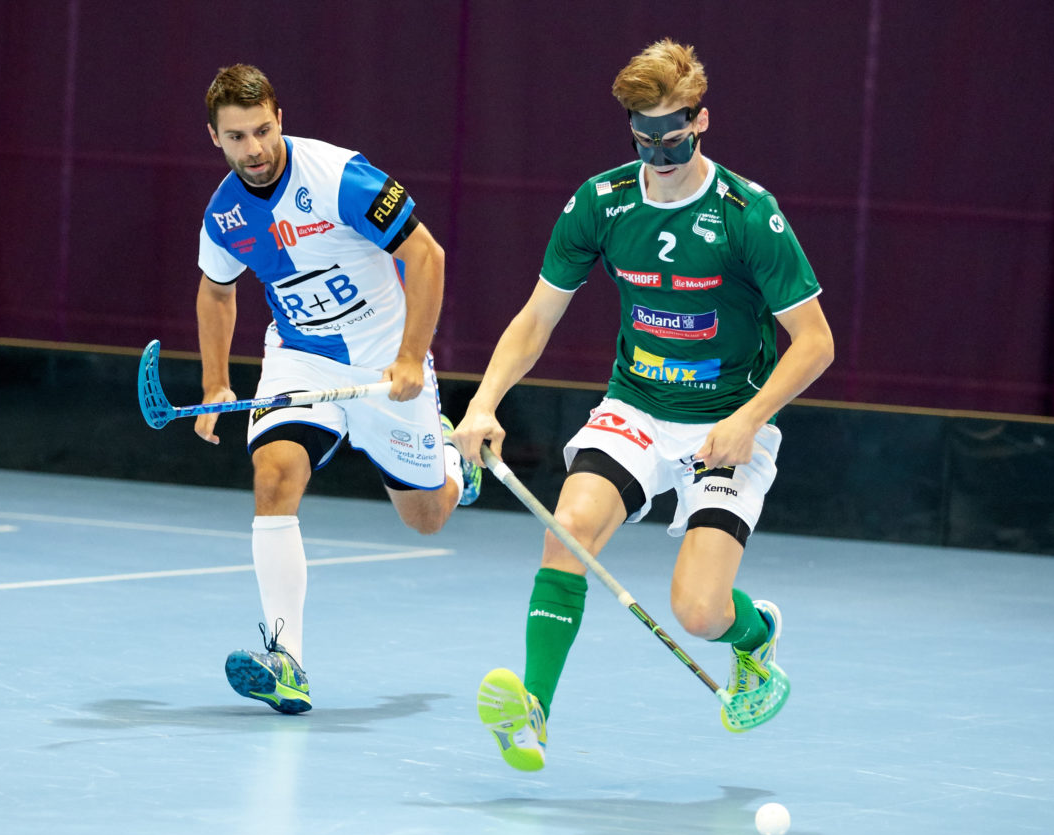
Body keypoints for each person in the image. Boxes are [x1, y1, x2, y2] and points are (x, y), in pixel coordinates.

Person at [452, 39, 834, 771]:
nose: (660, 149)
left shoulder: (748, 214)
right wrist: (484, 402)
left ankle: (753, 638)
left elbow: (814, 343)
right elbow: (536, 318)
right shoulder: (601, 202)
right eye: (644, 133)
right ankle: (532, 712)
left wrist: (749, 419)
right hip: (636, 405)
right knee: (567, 528)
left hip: (726, 422)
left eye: (674, 131)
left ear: (702, 120)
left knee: (697, 609)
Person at [194, 64, 481, 714]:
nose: (255, 149)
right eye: (237, 137)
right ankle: (286, 661)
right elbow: (216, 292)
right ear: (215, 138)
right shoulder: (225, 214)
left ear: (280, 119)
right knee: (273, 476)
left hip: (385, 360)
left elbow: (426, 255)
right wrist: (216, 380)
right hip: (302, 359)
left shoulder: (342, 177)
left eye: (262, 130)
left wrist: (411, 358)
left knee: (427, 517)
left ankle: (454, 466)